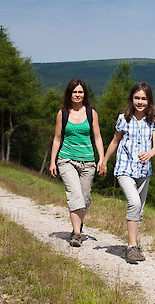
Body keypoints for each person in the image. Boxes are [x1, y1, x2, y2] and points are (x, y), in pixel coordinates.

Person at [99, 82, 155, 264]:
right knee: (133, 202)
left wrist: (150, 153)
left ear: (149, 100)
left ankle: (134, 244)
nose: (140, 102)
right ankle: (131, 246)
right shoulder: (123, 119)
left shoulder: (154, 119)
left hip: (143, 170)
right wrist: (104, 161)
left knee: (139, 208)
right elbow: (114, 141)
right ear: (131, 99)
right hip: (124, 168)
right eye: (137, 98)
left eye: (143, 98)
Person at [50, 78, 105, 247]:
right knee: (75, 194)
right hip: (66, 160)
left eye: (80, 92)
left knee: (85, 198)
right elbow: (57, 139)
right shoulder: (63, 114)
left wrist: (101, 159)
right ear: (69, 94)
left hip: (88, 161)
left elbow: (97, 137)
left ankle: (77, 224)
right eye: (74, 92)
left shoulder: (91, 113)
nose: (77, 95)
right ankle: (77, 234)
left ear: (84, 94)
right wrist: (53, 161)